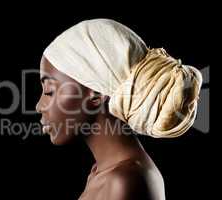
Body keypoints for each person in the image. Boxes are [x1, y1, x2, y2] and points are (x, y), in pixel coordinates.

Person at [36, 19, 202, 200]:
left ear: (97, 95)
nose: (39, 106)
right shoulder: (100, 173)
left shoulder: (125, 181)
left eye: (49, 91)